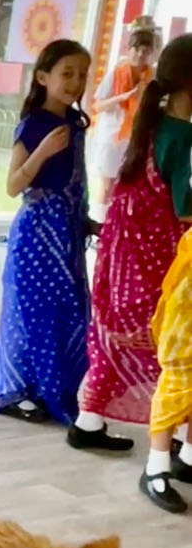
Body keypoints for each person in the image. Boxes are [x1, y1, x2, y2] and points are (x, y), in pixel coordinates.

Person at [70, 33, 192, 460]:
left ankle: (89, 420)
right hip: (158, 262)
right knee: (174, 346)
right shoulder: (184, 138)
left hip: (120, 258)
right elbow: (185, 211)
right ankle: (176, 441)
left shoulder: (152, 123)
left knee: (111, 337)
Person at [0, 40, 92, 426]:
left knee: (68, 308)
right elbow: (14, 186)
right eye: (67, 73)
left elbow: (77, 183)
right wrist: (42, 151)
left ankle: (55, 388)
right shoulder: (33, 125)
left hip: (68, 233)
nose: (76, 82)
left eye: (82, 74)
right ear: (43, 77)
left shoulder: (76, 124)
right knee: (30, 312)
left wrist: (86, 221)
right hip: (37, 233)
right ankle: (13, 391)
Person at [128, 36, 192, 513]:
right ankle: (157, 464)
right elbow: (185, 207)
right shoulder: (179, 135)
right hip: (184, 264)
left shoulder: (171, 128)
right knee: (180, 363)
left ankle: (184, 454)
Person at [89, 17, 160, 219]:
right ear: (128, 49)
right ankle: (99, 225)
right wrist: (124, 97)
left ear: (152, 53)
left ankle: (115, 224)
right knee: (106, 185)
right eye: (136, 49)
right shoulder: (116, 74)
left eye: (145, 50)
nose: (140, 54)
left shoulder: (152, 78)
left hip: (136, 138)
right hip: (111, 136)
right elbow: (97, 105)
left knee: (125, 185)